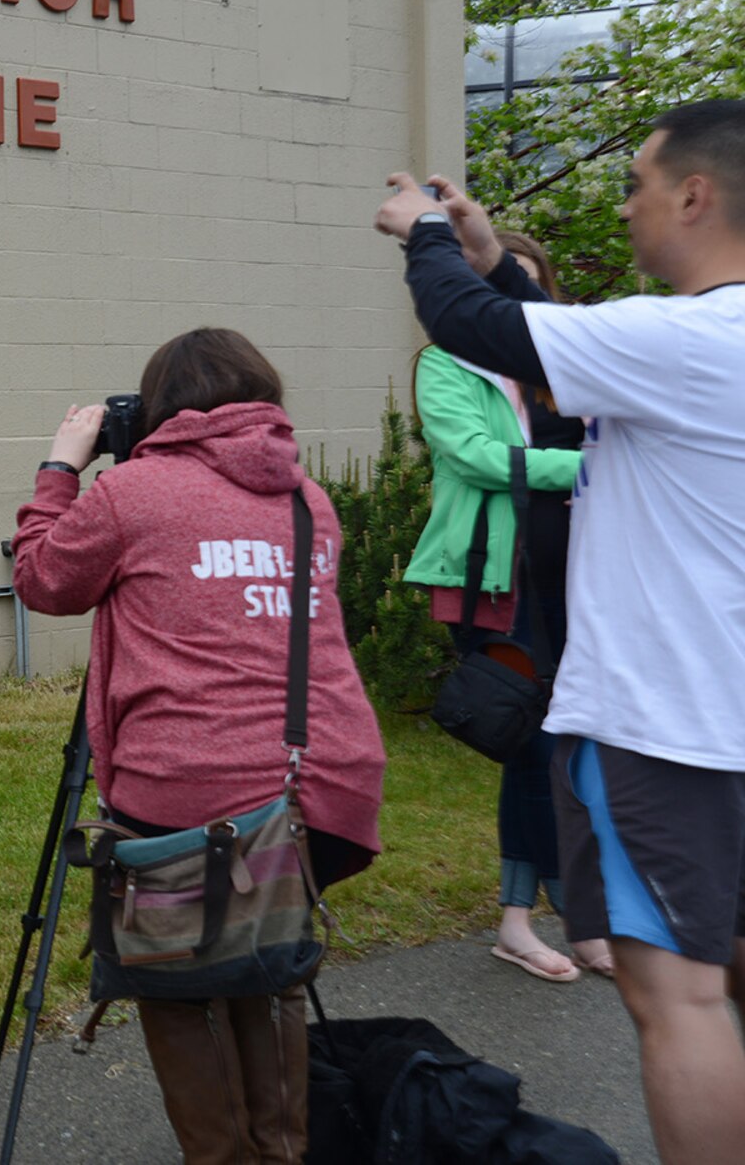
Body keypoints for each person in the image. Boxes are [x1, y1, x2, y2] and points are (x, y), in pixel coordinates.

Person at [374, 100, 745, 1165]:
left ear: (692, 193)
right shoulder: (695, 346)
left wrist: (428, 231)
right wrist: (497, 258)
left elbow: (474, 329)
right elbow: (548, 345)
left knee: (676, 998)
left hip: (665, 722)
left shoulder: (687, 336)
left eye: (632, 183)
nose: (624, 206)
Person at [12, 328, 386, 1163]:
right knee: (264, 959)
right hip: (318, 779)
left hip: (188, 786)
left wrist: (61, 468)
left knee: (175, 979)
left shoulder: (134, 492)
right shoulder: (306, 496)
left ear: (158, 410)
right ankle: (278, 1148)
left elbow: (43, 579)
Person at [403, 233, 607, 982]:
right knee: (530, 741)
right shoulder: (446, 362)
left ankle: (543, 915)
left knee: (562, 744)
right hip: (496, 576)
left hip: (582, 575)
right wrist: (591, 467)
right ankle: (540, 919)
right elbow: (475, 455)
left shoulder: (570, 373)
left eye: (516, 285)